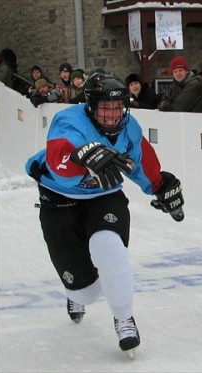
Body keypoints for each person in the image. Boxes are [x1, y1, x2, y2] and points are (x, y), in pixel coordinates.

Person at [25, 72, 185, 357]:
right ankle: (75, 295)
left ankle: (124, 318)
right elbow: (58, 162)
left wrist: (160, 188)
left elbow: (140, 162)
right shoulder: (69, 120)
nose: (112, 114)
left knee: (109, 249)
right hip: (59, 199)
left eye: (117, 107)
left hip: (104, 197)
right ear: (90, 106)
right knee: (85, 292)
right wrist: (81, 157)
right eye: (105, 107)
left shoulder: (129, 127)